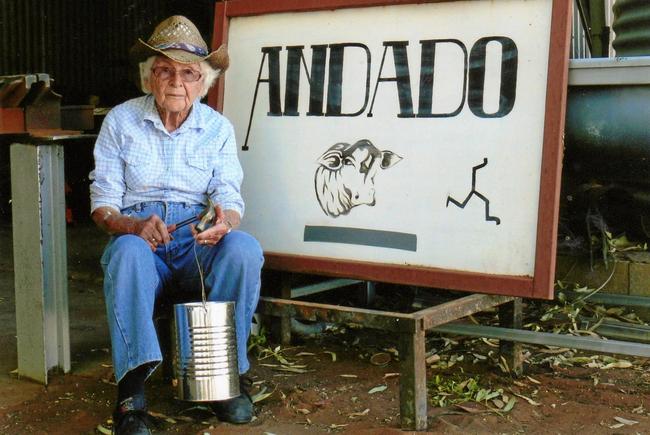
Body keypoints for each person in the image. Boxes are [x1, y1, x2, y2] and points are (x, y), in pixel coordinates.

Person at [89, 15, 264, 435]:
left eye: (188, 73)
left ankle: (225, 380)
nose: (175, 82)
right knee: (127, 256)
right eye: (164, 70)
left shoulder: (217, 128)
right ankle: (132, 396)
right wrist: (131, 226)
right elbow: (103, 204)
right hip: (141, 238)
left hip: (194, 240)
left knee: (243, 249)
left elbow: (229, 195)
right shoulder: (120, 121)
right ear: (149, 77)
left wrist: (224, 220)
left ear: (202, 83)